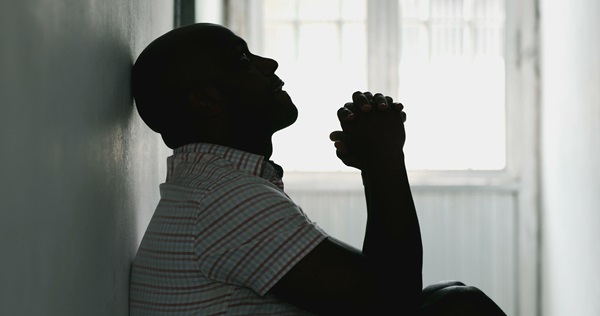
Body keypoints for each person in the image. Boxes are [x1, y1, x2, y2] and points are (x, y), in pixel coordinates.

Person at [129, 23, 506, 315]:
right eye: (243, 61)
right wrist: (384, 160)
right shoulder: (224, 199)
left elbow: (381, 293)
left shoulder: (211, 188)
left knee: (447, 296)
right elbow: (391, 304)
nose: (269, 65)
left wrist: (376, 166)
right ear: (208, 101)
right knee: (461, 307)